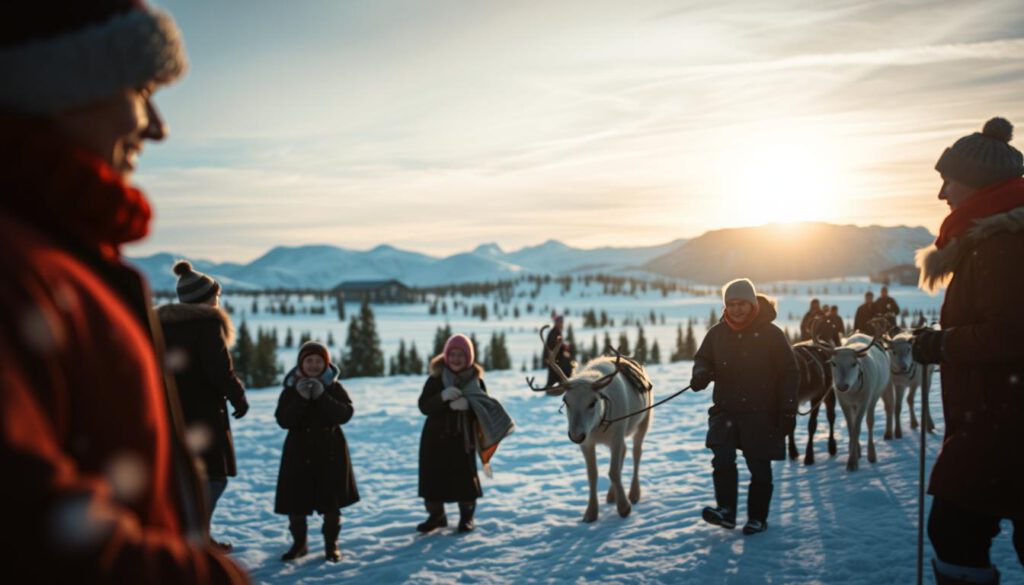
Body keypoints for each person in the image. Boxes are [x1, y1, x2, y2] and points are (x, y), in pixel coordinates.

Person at [0, 2, 247, 582]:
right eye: (140, 89)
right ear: (58, 85)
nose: (156, 127)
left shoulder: (63, 259)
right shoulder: (22, 271)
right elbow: (31, 528)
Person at [914, 117, 1024, 584]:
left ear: (978, 183)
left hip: (1003, 423)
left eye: (948, 180)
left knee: (955, 531)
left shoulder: (1003, 245)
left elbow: (1012, 333)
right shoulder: (994, 241)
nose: (942, 194)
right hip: (998, 420)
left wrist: (942, 343)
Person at [690, 278, 799, 535]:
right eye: (731, 304)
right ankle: (726, 511)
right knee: (722, 458)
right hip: (726, 409)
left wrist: (788, 408)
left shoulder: (772, 334)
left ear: (752, 304)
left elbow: (789, 372)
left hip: (762, 412)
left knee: (759, 466)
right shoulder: (717, 333)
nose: (736, 309)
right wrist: (701, 374)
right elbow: (702, 358)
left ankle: (757, 518)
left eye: (742, 304)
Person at [157, 260, 249, 552]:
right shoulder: (208, 324)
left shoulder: (163, 324)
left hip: (169, 412)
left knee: (184, 476)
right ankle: (196, 539)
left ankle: (188, 535)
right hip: (203, 413)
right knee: (213, 478)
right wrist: (238, 396)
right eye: (216, 296)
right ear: (208, 298)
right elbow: (218, 370)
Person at [274, 341, 359, 563]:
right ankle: (299, 544)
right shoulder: (291, 389)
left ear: (326, 364)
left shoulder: (334, 387)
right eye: (309, 360)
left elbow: (345, 414)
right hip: (298, 453)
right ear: (301, 363)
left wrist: (322, 396)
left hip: (330, 452)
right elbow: (283, 420)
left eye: (318, 361)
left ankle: (332, 545)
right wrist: (301, 400)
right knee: (296, 503)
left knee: (331, 504)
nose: (313, 365)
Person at [417, 334, 492, 533]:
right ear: (445, 356)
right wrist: (441, 397)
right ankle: (436, 515)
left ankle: (466, 518)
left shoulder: (476, 381)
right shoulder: (435, 379)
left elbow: (485, 409)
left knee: (465, 480)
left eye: (461, 354)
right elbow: (424, 406)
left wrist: (469, 405)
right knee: (433, 479)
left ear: (468, 357)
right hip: (435, 438)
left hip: (463, 441)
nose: (456, 359)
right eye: (452, 354)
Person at [544, 315, 575, 385]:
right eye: (560, 322)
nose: (562, 324)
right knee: (567, 366)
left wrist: (564, 347)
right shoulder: (554, 332)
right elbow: (554, 346)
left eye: (562, 322)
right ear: (556, 323)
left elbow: (558, 345)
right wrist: (564, 348)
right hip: (555, 359)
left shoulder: (556, 331)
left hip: (556, 358)